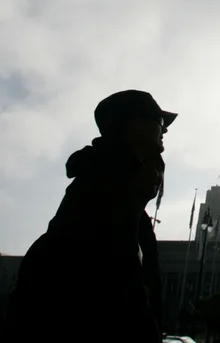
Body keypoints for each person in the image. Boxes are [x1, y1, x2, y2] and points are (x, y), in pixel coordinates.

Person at [7, 90, 176, 343]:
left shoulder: (116, 191)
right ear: (136, 126)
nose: (164, 131)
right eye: (160, 123)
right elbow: (118, 288)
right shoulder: (105, 193)